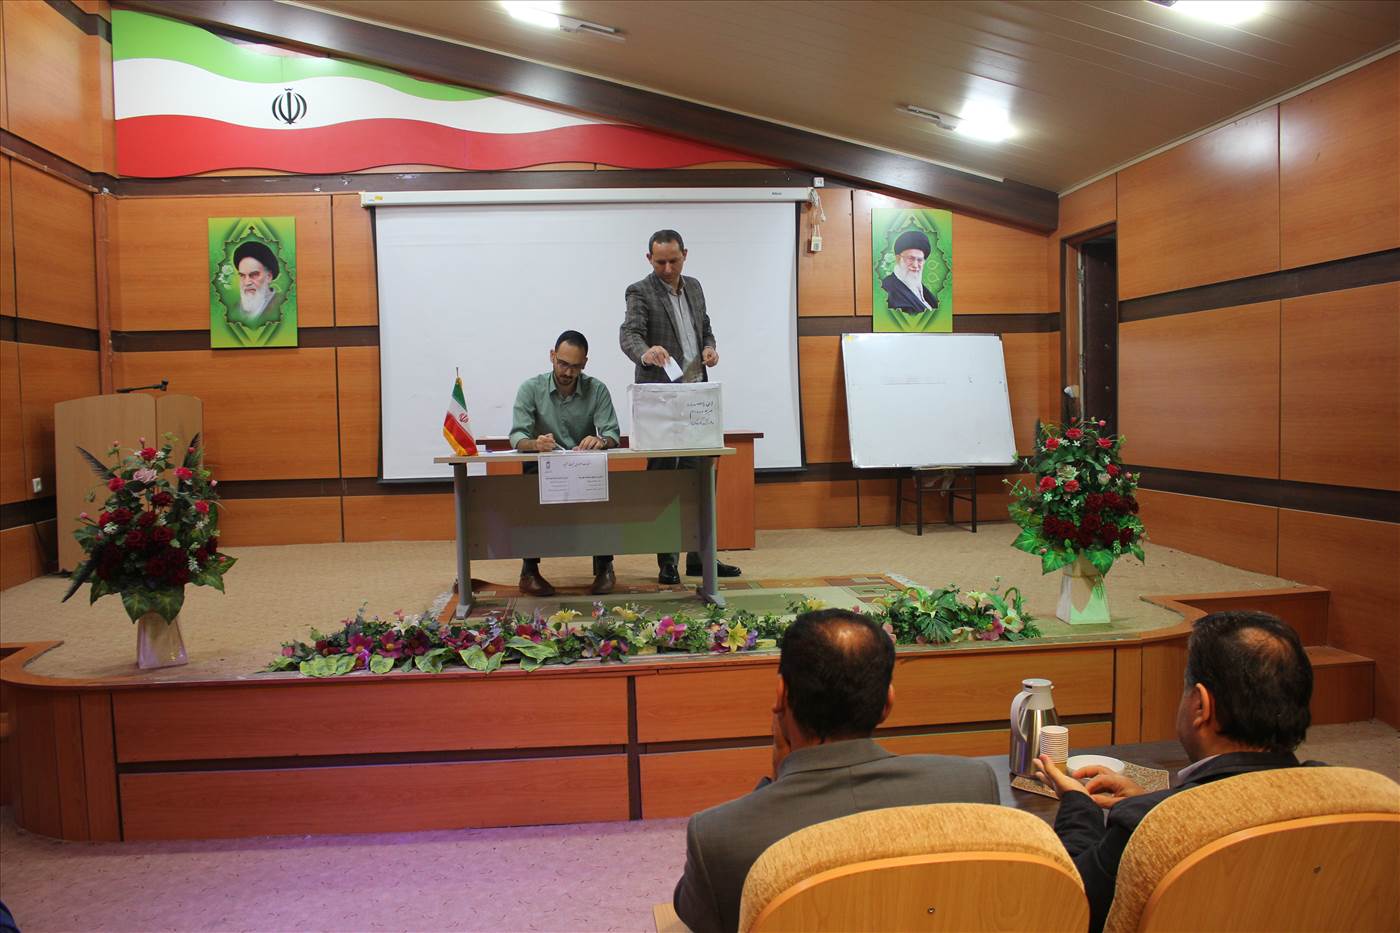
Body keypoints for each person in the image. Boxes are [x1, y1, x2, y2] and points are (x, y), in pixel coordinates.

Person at [672, 609, 999, 933]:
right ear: (888, 702)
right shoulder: (972, 787)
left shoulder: (720, 836)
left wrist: (777, 779)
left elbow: (698, 918)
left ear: (781, 694)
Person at [1033, 610, 1320, 933]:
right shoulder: (1343, 799)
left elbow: (1071, 902)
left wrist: (1078, 803)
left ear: (1200, 706)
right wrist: (1163, 800)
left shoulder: (1151, 827)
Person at [620, 228, 740, 584]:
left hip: (696, 397)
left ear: (685, 254)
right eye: (660, 262)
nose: (668, 268)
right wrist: (645, 352)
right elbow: (629, 333)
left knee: (701, 478)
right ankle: (667, 561)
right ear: (649, 259)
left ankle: (701, 557)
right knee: (666, 482)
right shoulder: (639, 291)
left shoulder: (696, 287)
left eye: (674, 260)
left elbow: (705, 328)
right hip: (661, 401)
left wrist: (710, 348)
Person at [508, 330, 621, 597]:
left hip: (583, 468)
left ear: (585, 364)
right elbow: (517, 436)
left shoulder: (597, 389)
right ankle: (529, 571)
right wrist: (535, 444)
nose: (568, 372)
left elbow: (612, 434)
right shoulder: (531, 388)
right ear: (552, 356)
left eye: (575, 367)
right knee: (526, 492)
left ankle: (605, 566)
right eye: (562, 363)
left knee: (603, 486)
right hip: (543, 467)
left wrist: (600, 441)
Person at [879, 228, 939, 313]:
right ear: (898, 258)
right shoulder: (886, 290)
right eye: (911, 258)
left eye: (920, 260)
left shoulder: (920, 289)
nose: (915, 265)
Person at [230, 240, 286, 326]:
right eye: (242, 276)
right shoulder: (234, 309)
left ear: (269, 277)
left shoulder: (284, 304)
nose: (247, 282)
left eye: (254, 275)